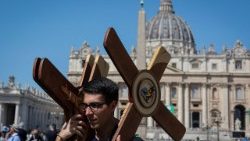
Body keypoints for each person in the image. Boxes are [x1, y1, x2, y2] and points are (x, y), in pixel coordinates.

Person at [56, 77, 143, 141]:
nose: (87, 113)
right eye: (85, 106)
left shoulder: (130, 138)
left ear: (113, 106)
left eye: (94, 105)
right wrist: (60, 137)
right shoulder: (84, 136)